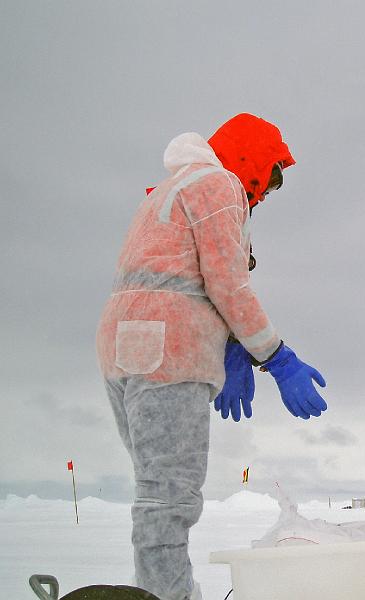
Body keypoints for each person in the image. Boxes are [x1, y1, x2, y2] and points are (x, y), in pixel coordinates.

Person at [96, 113, 327, 600]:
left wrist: (233, 351)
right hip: (167, 349)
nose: (264, 196)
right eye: (270, 181)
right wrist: (276, 358)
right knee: (168, 501)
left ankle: (162, 593)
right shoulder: (218, 183)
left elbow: (178, 269)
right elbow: (226, 282)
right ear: (252, 163)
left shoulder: (174, 187)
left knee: (156, 494)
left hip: (126, 346)